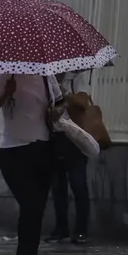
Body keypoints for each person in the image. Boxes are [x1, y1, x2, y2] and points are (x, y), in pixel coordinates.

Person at [0, 74, 53, 255]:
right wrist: (5, 94)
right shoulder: (5, 76)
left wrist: (56, 112)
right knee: (30, 206)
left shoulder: (47, 76)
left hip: (43, 150)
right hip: (13, 152)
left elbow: (56, 109)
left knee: (36, 211)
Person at [46, 71, 90, 244]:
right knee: (57, 186)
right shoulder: (46, 78)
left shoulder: (76, 77)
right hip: (54, 136)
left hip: (74, 138)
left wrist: (64, 93)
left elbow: (83, 102)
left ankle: (81, 230)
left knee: (78, 184)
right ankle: (61, 228)